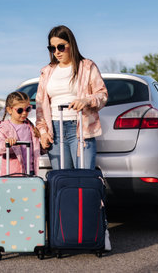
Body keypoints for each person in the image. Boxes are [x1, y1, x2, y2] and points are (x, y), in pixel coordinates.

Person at [35, 25, 111, 251]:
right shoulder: (46, 71)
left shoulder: (87, 66)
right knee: (61, 185)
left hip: (81, 130)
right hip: (56, 131)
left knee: (87, 182)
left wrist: (86, 100)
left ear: (71, 45)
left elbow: (102, 95)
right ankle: (64, 235)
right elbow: (40, 107)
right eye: (52, 47)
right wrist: (43, 132)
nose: (56, 51)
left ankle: (99, 233)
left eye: (61, 46)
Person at [0, 91, 42, 176]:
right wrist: (6, 144)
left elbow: (36, 148)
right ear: (9, 110)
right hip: (13, 174)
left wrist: (44, 145)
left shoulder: (30, 127)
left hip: (30, 172)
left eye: (28, 109)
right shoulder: (4, 128)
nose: (24, 113)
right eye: (20, 110)